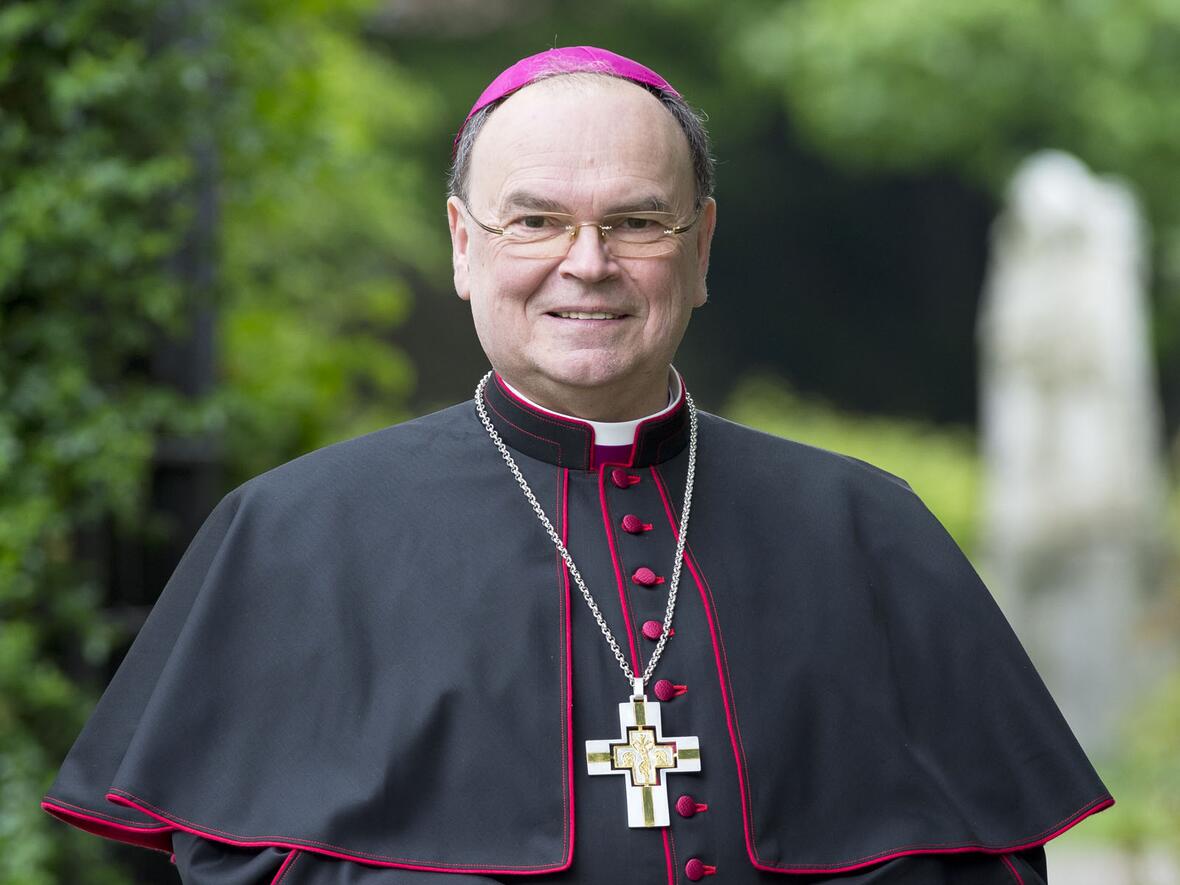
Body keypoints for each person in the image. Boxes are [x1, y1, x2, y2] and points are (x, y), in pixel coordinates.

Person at [43, 46, 1111, 884]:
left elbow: (987, 862)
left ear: (699, 250)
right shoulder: (290, 533)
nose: (586, 264)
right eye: (536, 221)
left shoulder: (866, 526)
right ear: (464, 245)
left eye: (636, 222)